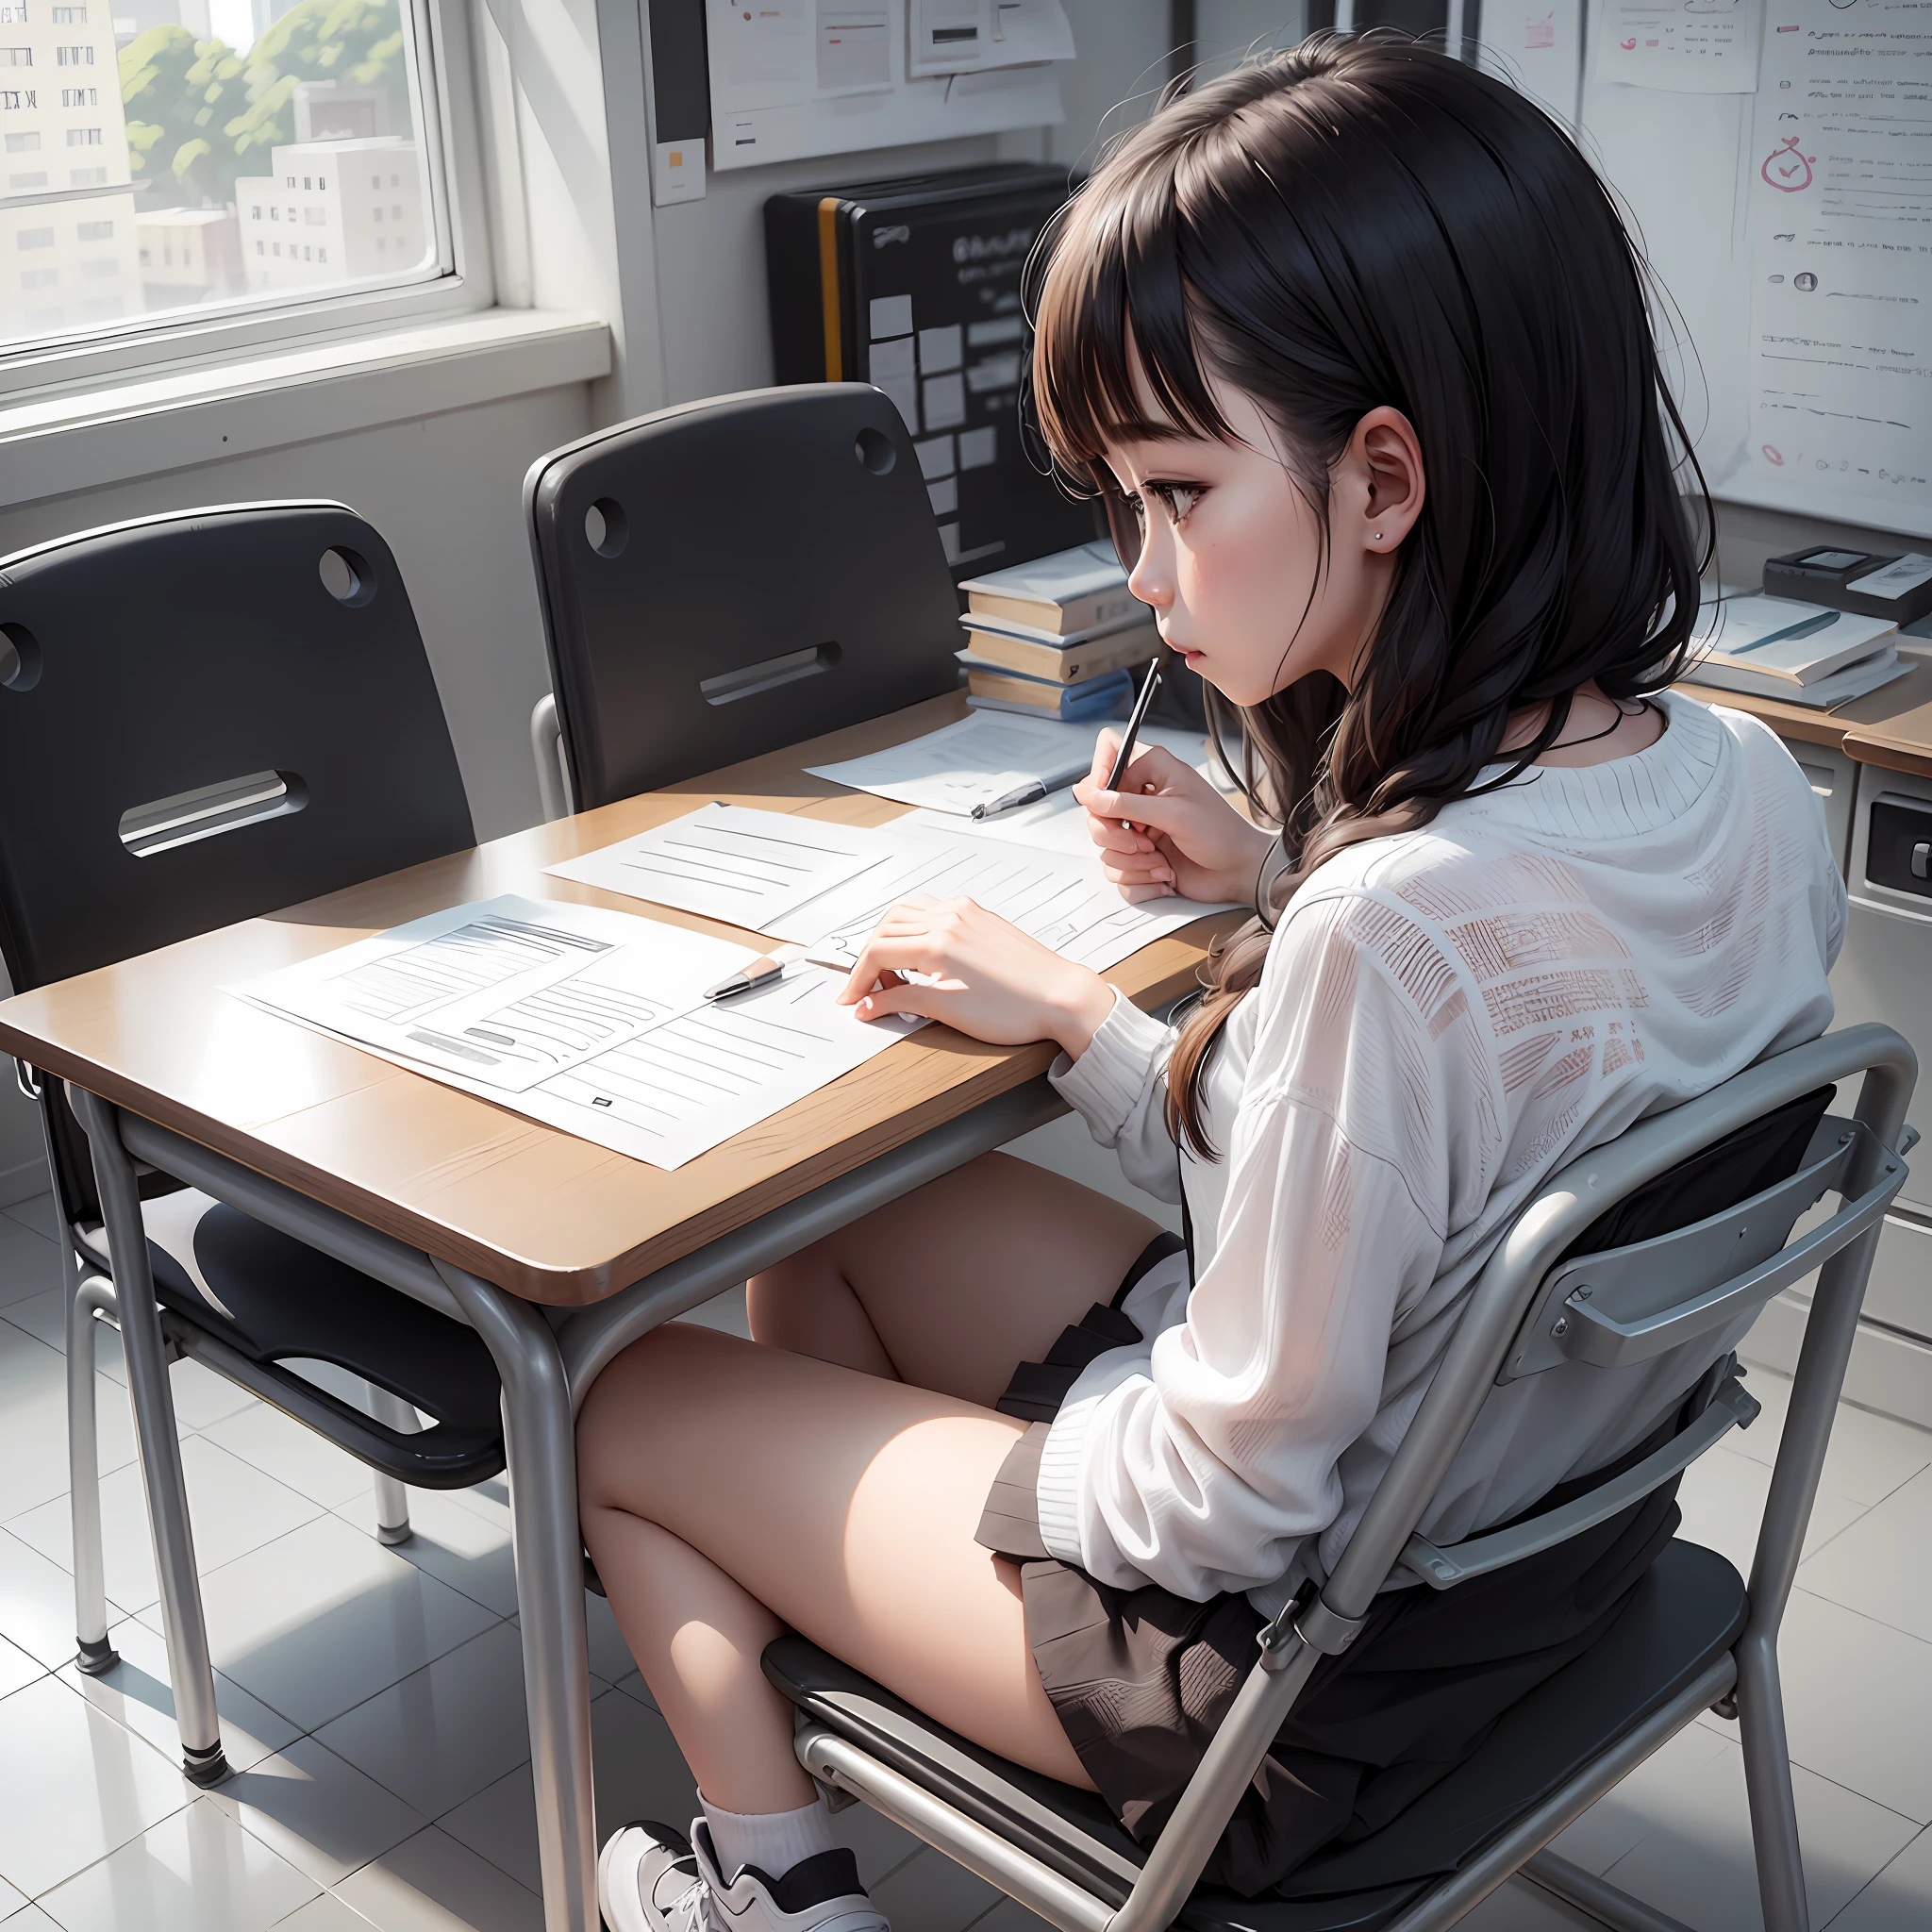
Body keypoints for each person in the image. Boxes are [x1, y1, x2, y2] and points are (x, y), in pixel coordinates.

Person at [577, 33, 1846, 1932]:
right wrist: (1111, 1009)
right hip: (1529, 1553)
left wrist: (992, 1463)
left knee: (620, 1400)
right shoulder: (1740, 779)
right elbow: (1463, 1142)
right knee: (852, 1229)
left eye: (1175, 489)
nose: (1146, 573)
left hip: (1285, 1690)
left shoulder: (1386, 927)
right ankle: (850, 1657)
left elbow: (1228, 1503)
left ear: (1388, 476)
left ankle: (776, 1880)